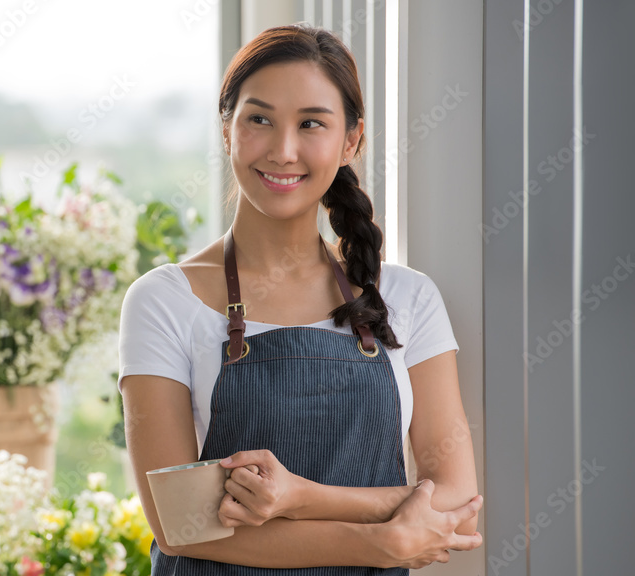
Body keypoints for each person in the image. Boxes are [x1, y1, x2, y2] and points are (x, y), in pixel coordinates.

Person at [117, 23, 483, 574]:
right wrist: (378, 541)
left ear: (351, 140)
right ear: (226, 130)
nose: (283, 150)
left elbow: (457, 503)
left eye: (311, 123)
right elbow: (181, 526)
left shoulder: (409, 298)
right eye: (259, 119)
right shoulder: (164, 301)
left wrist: (299, 497)